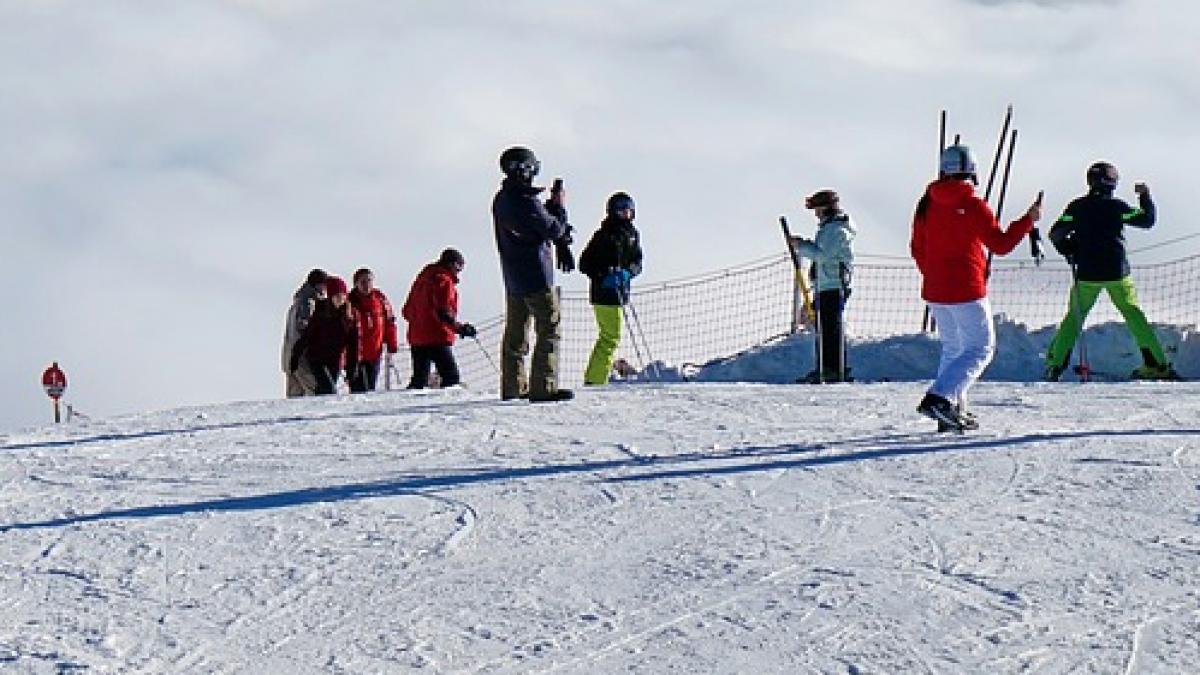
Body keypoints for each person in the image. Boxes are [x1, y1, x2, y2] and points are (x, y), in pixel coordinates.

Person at [910, 144, 1042, 431]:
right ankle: (940, 398)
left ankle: (953, 410)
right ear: (971, 171)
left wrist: (935, 275)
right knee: (981, 348)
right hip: (967, 288)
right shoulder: (972, 204)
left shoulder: (926, 203)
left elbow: (917, 248)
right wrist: (1028, 222)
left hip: (935, 289)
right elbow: (1001, 244)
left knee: (953, 348)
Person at [1043, 161, 1178, 381]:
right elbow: (1147, 220)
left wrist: (1069, 251)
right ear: (1113, 183)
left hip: (1086, 272)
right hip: (1116, 271)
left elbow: (1056, 233)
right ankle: (1156, 364)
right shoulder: (1117, 207)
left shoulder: (1077, 207)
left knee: (1074, 318)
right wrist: (1145, 196)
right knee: (1133, 314)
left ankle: (1054, 365)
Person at [492, 146, 575, 402]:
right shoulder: (526, 202)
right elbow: (552, 228)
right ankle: (543, 387)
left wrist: (547, 210)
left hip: (513, 276)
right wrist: (559, 208)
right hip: (537, 276)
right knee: (548, 329)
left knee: (516, 335)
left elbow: (538, 223)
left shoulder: (502, 199)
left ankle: (513, 386)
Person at [790, 189, 856, 383]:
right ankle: (826, 367)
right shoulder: (830, 229)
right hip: (826, 283)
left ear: (825, 208)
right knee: (825, 328)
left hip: (833, 284)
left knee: (830, 329)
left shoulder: (836, 230)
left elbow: (823, 255)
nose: (816, 213)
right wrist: (804, 244)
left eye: (817, 208)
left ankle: (832, 369)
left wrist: (802, 246)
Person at [579, 192, 643, 385]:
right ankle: (595, 379)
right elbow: (585, 263)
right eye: (621, 209)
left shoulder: (632, 234)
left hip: (620, 292)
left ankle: (597, 376)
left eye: (628, 209)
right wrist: (603, 275)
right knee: (610, 336)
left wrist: (627, 273)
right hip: (604, 293)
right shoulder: (604, 235)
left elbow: (637, 261)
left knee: (610, 336)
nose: (626, 213)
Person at [401, 248, 477, 389]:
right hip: (436, 335)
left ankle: (410, 407)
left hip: (416, 335)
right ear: (453, 264)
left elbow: (406, 311)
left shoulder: (421, 280)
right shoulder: (444, 281)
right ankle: (446, 408)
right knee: (451, 377)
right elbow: (443, 312)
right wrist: (460, 328)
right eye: (460, 267)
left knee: (419, 379)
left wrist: (419, 320)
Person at [288, 276, 359, 395]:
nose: (340, 300)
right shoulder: (321, 312)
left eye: (342, 296)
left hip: (335, 360)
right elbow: (307, 335)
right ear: (331, 297)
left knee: (325, 390)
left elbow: (353, 344)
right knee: (329, 389)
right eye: (336, 296)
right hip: (317, 359)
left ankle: (318, 408)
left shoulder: (350, 316)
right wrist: (296, 355)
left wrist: (352, 369)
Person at [347, 267, 399, 392]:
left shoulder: (380, 299)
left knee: (370, 387)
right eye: (363, 282)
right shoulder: (349, 301)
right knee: (357, 390)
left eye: (369, 281)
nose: (367, 285)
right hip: (354, 354)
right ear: (356, 284)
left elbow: (389, 322)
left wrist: (392, 343)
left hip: (374, 352)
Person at [281, 268, 328, 397]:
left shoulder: (298, 301)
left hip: (290, 355)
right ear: (318, 285)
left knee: (295, 396)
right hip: (301, 357)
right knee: (314, 392)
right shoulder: (307, 303)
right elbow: (303, 330)